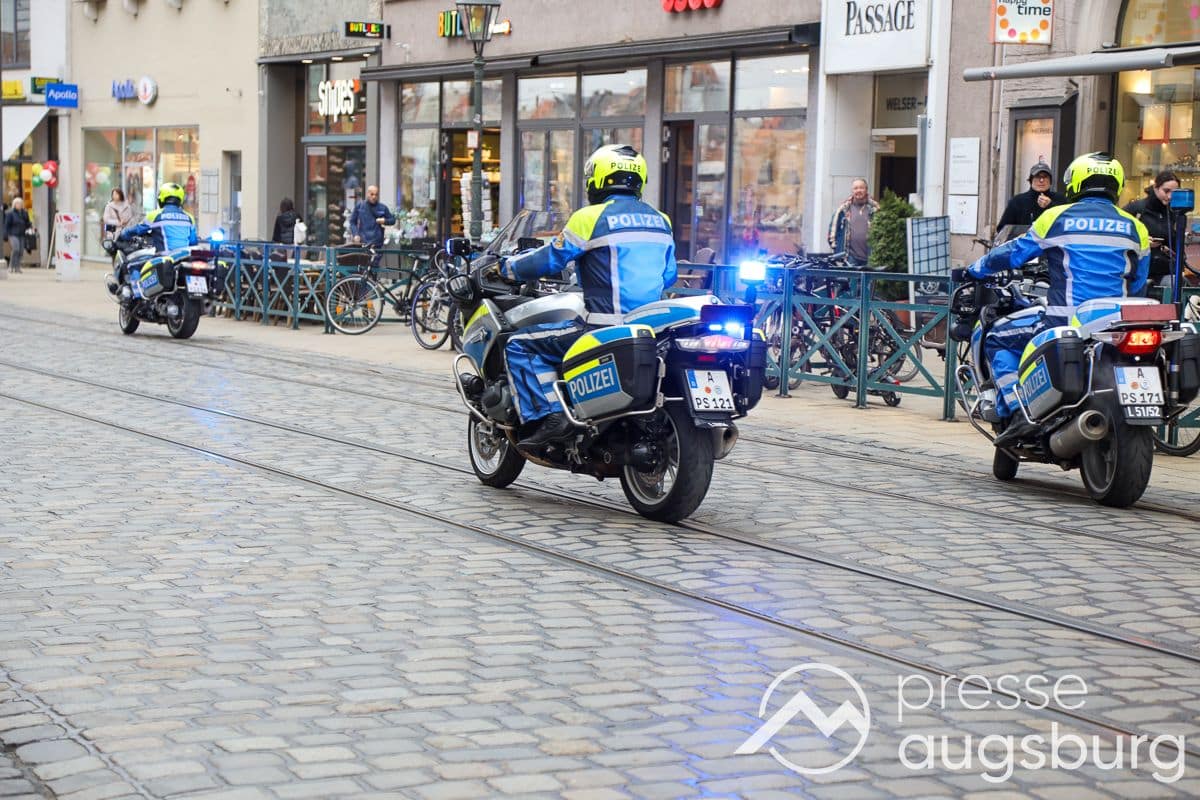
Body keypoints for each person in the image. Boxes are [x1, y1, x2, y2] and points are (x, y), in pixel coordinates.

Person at [496, 144, 677, 449]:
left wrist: (507, 268)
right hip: (649, 329)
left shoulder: (589, 217)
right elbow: (668, 275)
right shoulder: (662, 220)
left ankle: (551, 415)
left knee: (519, 345)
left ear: (598, 179)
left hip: (601, 328)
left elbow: (549, 260)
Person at [960, 152, 1149, 443]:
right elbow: (1138, 283)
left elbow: (1013, 253)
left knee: (996, 338)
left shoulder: (1057, 217)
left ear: (1076, 183)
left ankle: (1017, 411)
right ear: (1118, 184)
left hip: (1064, 322)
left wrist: (975, 269)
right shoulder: (1136, 227)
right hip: (1115, 327)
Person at [113, 182, 198, 292]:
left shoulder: (155, 215)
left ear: (161, 198)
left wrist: (124, 234)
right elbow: (193, 242)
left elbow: (137, 229)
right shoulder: (189, 218)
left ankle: (137, 295)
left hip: (164, 257)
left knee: (132, 265)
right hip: (184, 258)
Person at [1122, 170, 1188, 293]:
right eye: (1166, 191)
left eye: (1174, 192)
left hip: (1164, 270)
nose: (1170, 196)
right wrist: (1140, 241)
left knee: (1180, 285)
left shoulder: (1174, 212)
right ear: (1155, 188)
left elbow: (1176, 244)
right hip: (1138, 269)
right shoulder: (1136, 208)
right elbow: (1120, 236)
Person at [996, 161, 1068, 232]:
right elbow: (1002, 230)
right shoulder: (1017, 202)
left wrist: (1051, 205)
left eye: (1045, 177)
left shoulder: (1060, 199)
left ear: (1050, 181)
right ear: (1031, 180)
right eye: (1037, 176)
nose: (1041, 180)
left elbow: (1068, 223)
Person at [827, 178, 879, 266]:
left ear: (866, 190)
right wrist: (837, 249)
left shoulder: (875, 209)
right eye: (856, 188)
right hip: (850, 258)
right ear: (852, 191)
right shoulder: (843, 210)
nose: (858, 190)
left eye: (861, 188)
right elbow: (832, 232)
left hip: (872, 257)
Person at [4, 197, 31, 273]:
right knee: (16, 249)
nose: (19, 205)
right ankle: (11, 266)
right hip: (13, 234)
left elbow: (27, 222)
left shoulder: (24, 213)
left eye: (20, 204)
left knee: (21, 251)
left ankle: (17, 267)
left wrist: (29, 225)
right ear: (14, 204)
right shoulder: (10, 213)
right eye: (18, 203)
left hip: (22, 234)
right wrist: (5, 235)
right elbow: (7, 225)